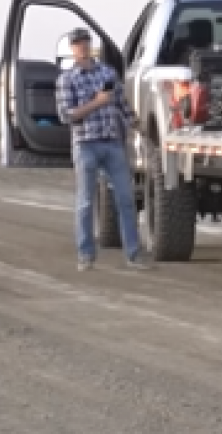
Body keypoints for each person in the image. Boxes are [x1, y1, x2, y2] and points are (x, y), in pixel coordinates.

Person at [55, 27, 148, 272]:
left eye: (85, 42)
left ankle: (133, 254)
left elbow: (121, 104)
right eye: (77, 44)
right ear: (72, 49)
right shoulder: (67, 80)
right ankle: (85, 255)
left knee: (126, 200)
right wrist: (95, 103)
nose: (82, 47)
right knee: (86, 202)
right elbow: (67, 116)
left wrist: (135, 123)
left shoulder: (107, 73)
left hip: (112, 142)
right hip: (85, 145)